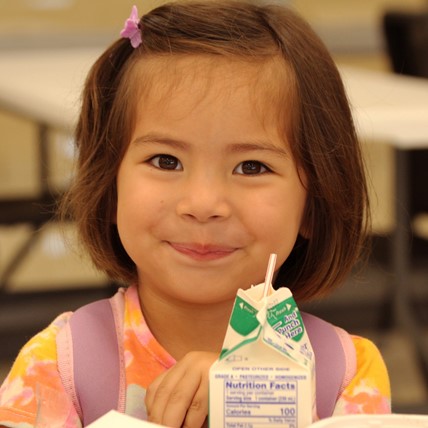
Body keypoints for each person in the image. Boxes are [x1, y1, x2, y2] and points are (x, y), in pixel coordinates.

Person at [0, 1, 391, 427]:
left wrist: (249, 401)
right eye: (166, 161)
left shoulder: (346, 377)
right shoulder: (60, 366)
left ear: (314, 204)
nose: (203, 204)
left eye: (252, 167)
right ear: (108, 187)